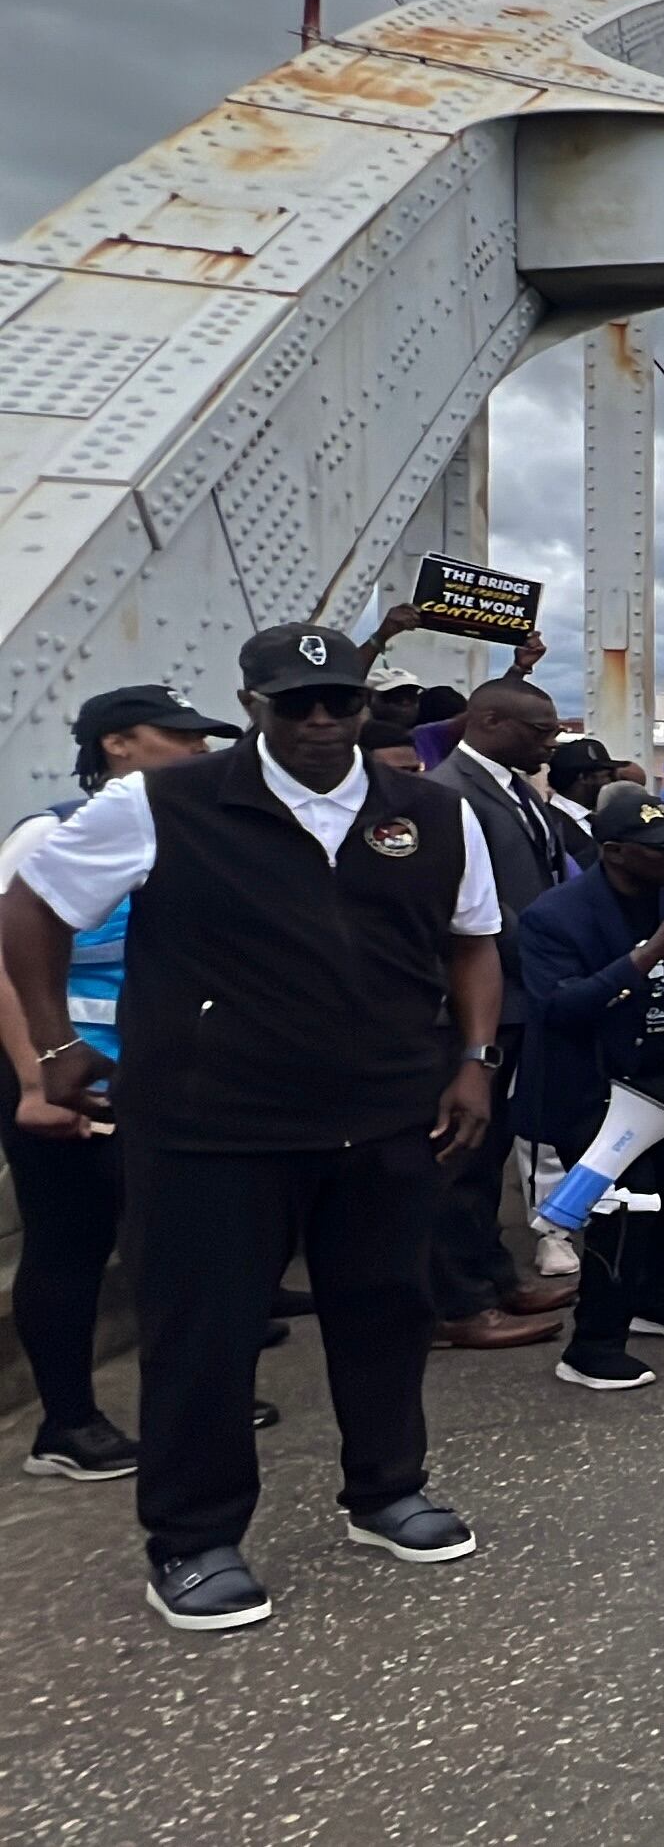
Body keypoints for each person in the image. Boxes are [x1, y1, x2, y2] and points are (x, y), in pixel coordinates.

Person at [2, 623, 504, 1630]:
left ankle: (386, 1491)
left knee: (386, 1312)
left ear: (365, 707)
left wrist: (475, 1061)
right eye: (294, 702)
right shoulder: (160, 803)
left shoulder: (432, 814)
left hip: (382, 1115)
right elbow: (34, 906)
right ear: (252, 708)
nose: (320, 720)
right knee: (203, 1336)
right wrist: (53, 1052)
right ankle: (193, 1543)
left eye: (338, 701)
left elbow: (473, 943)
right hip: (209, 1125)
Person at [0, 687, 238, 1481]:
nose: (199, 752)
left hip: (158, 1078)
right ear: (117, 745)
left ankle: (186, 1398)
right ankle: (65, 1424)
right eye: (179, 737)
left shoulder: (189, 830)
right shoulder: (51, 830)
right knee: (71, 1244)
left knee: (174, 1243)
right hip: (71, 1079)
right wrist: (38, 1077)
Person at [517, 789, 664, 1391]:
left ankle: (658, 1302)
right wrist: (647, 955)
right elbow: (559, 1008)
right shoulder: (555, 914)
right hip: (593, 1085)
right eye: (663, 846)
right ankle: (592, 1345)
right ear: (615, 852)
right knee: (624, 1210)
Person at [421, 676, 583, 1348]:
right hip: (480, 997)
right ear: (489, 721)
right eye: (538, 730)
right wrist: (548, 960)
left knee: (487, 1154)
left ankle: (492, 1275)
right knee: (458, 1154)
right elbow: (477, 912)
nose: (551, 741)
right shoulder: (450, 791)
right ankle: (453, 1303)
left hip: (515, 995)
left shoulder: (513, 787)